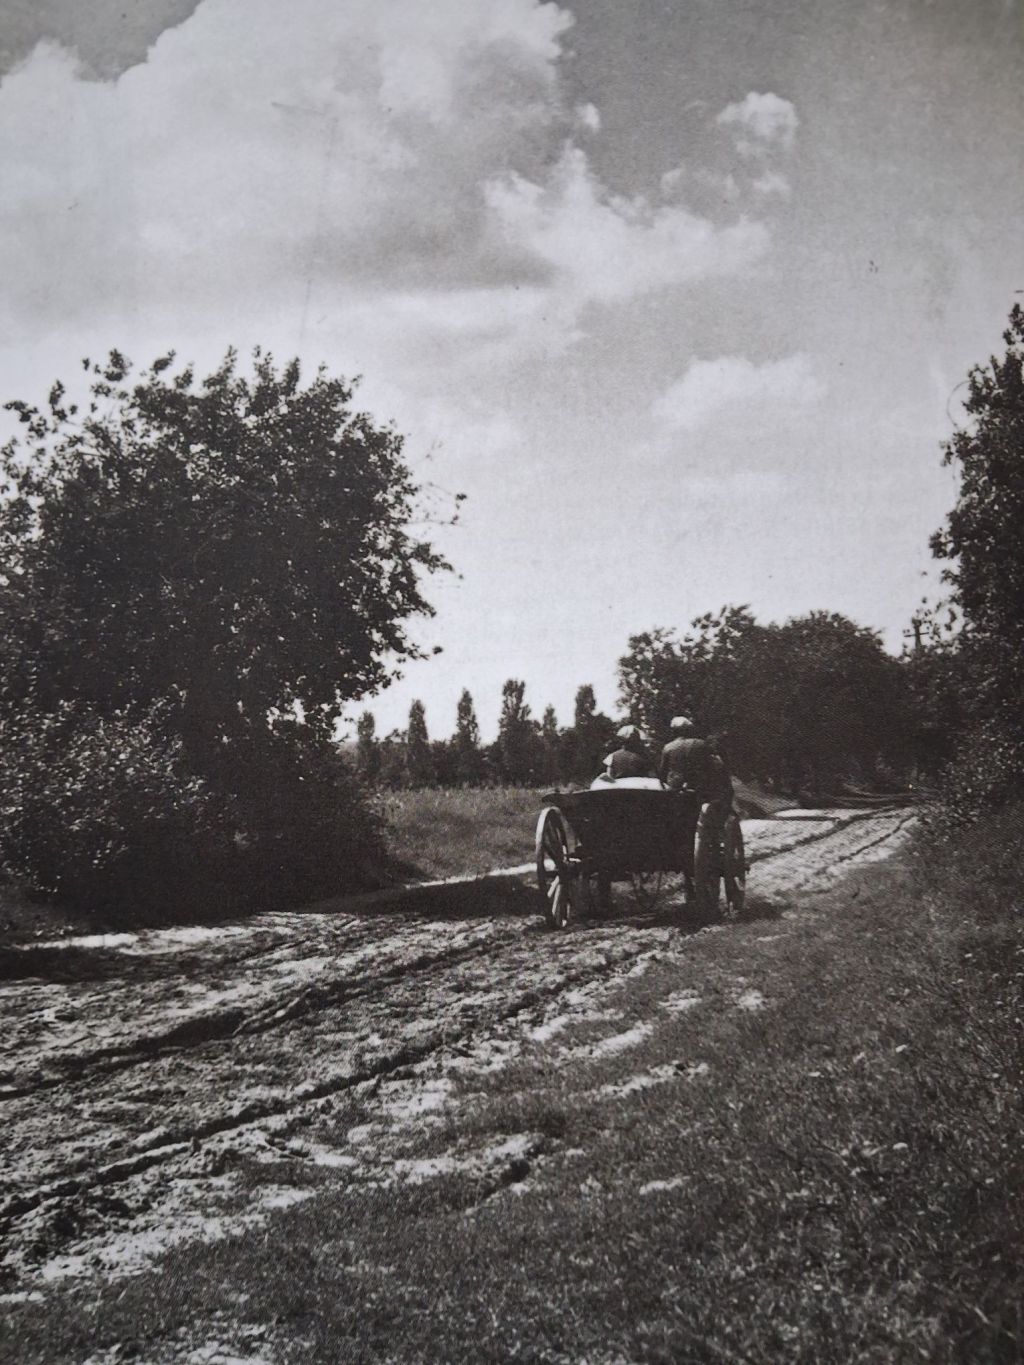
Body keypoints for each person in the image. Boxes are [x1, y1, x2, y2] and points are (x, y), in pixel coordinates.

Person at [591, 724, 662, 790]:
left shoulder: (612, 756)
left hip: (620, 789)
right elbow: (652, 777)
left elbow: (610, 777)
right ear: (638, 739)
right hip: (640, 789)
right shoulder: (645, 756)